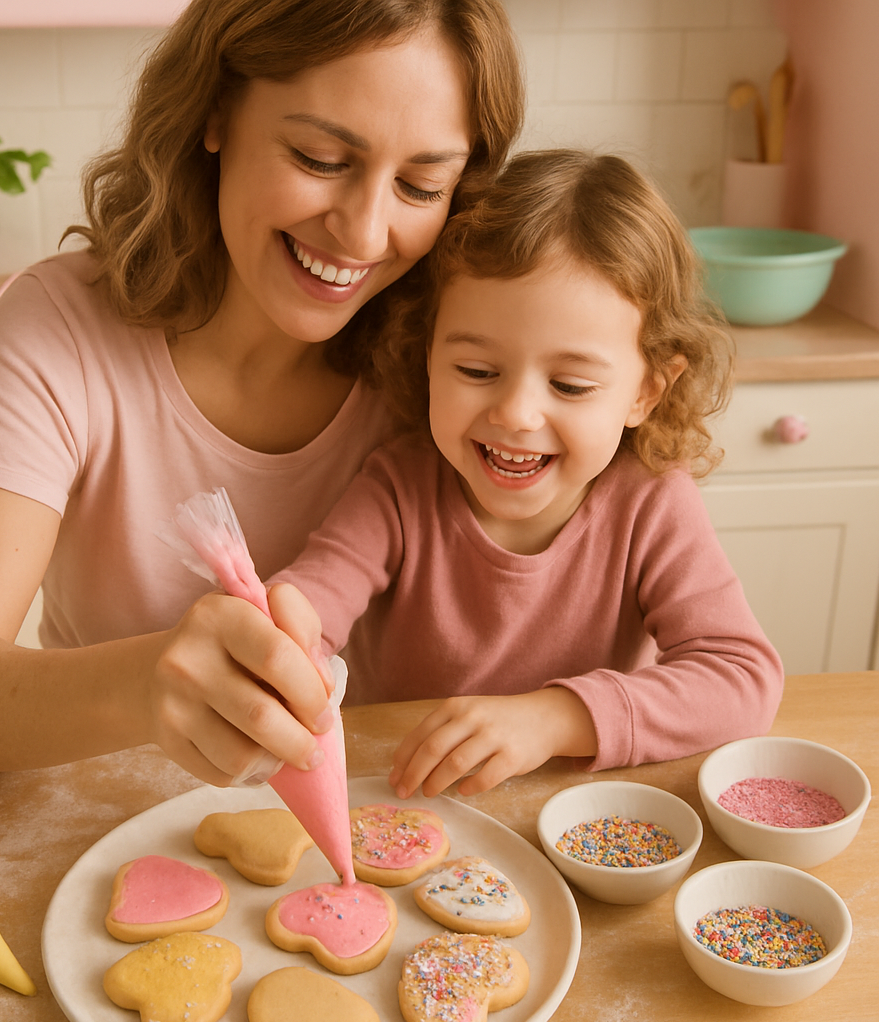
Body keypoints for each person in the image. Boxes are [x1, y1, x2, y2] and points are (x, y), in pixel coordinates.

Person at [0, 0, 525, 785]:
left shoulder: (459, 367)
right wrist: (144, 684)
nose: (362, 234)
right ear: (216, 108)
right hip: (98, 832)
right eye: (322, 158)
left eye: (422, 186)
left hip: (375, 838)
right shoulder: (60, 333)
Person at [267, 149, 785, 797]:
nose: (514, 414)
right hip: (416, 805)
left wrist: (556, 717)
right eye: (477, 372)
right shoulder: (399, 487)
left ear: (646, 391)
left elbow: (743, 679)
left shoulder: (652, 501)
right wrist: (284, 636)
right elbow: (312, 607)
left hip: (579, 820)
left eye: (569, 385)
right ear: (427, 353)